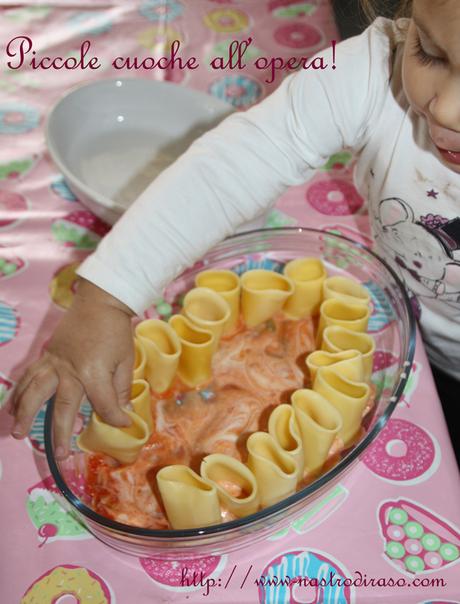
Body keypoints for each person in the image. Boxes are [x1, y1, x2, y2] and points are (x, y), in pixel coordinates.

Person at [9, 0, 460, 463]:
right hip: (420, 336)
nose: (444, 108)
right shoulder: (372, 68)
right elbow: (236, 164)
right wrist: (106, 296)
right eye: (429, 52)